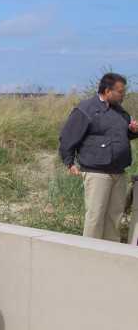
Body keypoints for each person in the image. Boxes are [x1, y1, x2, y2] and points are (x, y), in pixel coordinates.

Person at [59, 72, 138, 242]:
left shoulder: (121, 112)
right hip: (96, 173)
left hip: (119, 172)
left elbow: (122, 136)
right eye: (120, 92)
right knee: (95, 217)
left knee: (114, 218)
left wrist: (133, 131)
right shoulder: (85, 109)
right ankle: (89, 254)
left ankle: (110, 253)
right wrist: (69, 162)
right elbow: (68, 137)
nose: (123, 95)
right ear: (107, 91)